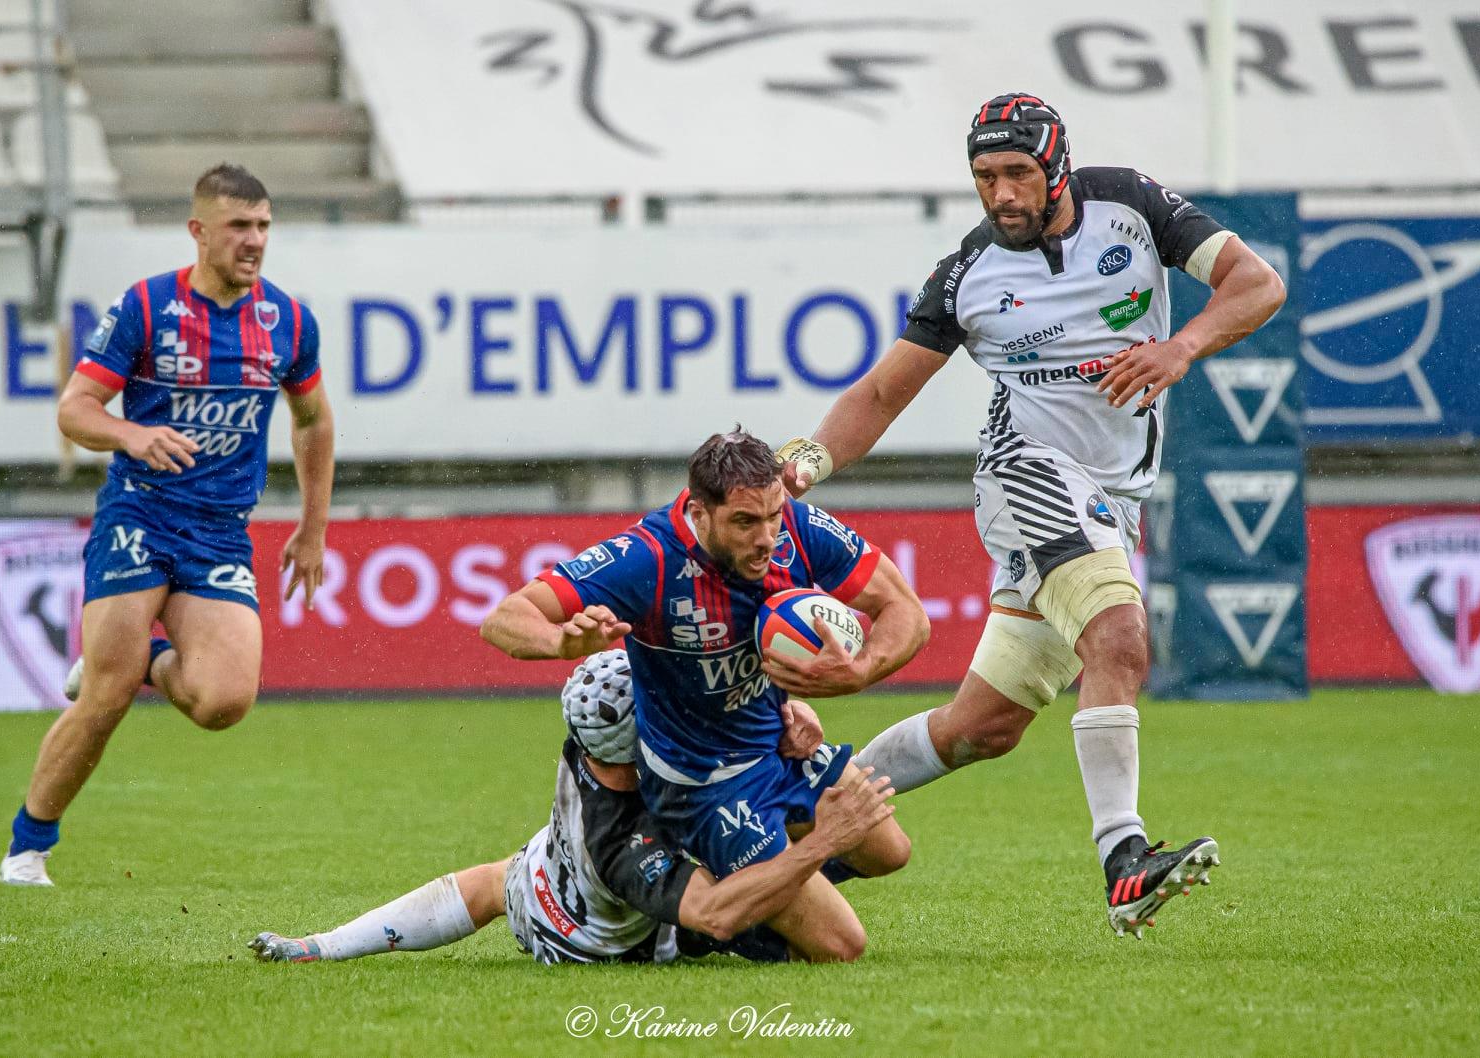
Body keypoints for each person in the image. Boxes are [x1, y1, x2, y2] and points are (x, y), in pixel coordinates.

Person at [777, 93, 1284, 938]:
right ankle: (1126, 860)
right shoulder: (967, 271)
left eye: (1018, 173)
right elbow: (880, 393)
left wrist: (1180, 346)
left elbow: (1258, 284)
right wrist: (803, 464)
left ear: (1058, 166)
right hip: (1028, 476)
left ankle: (806, 815)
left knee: (984, 727)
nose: (1002, 194)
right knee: (1118, 637)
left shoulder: (1132, 205)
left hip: (1112, 497)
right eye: (985, 177)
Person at [0, 164, 335, 887]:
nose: (254, 242)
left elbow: (313, 420)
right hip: (139, 515)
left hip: (218, 531)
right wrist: (129, 434)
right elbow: (75, 409)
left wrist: (313, 528)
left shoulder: (287, 321)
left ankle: (146, 661)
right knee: (107, 696)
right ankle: (28, 849)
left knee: (224, 703)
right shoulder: (147, 308)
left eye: (264, 227)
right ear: (199, 231)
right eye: (239, 227)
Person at [481, 429, 930, 962]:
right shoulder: (645, 560)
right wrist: (559, 640)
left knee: (888, 852)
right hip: (701, 784)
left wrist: (860, 672)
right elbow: (503, 619)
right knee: (841, 946)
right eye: (744, 522)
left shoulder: (797, 531)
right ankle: (720, 916)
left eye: (772, 516)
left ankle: (746, 887)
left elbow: (907, 612)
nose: (766, 538)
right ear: (699, 511)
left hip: (774, 747)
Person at [251, 650, 896, 965]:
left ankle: (317, 947)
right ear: (635, 745)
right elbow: (717, 914)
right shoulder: (622, 843)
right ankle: (321, 948)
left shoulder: (591, 732)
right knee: (835, 941)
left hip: (538, 876)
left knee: (488, 886)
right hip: (605, 939)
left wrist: (776, 722)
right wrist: (821, 842)